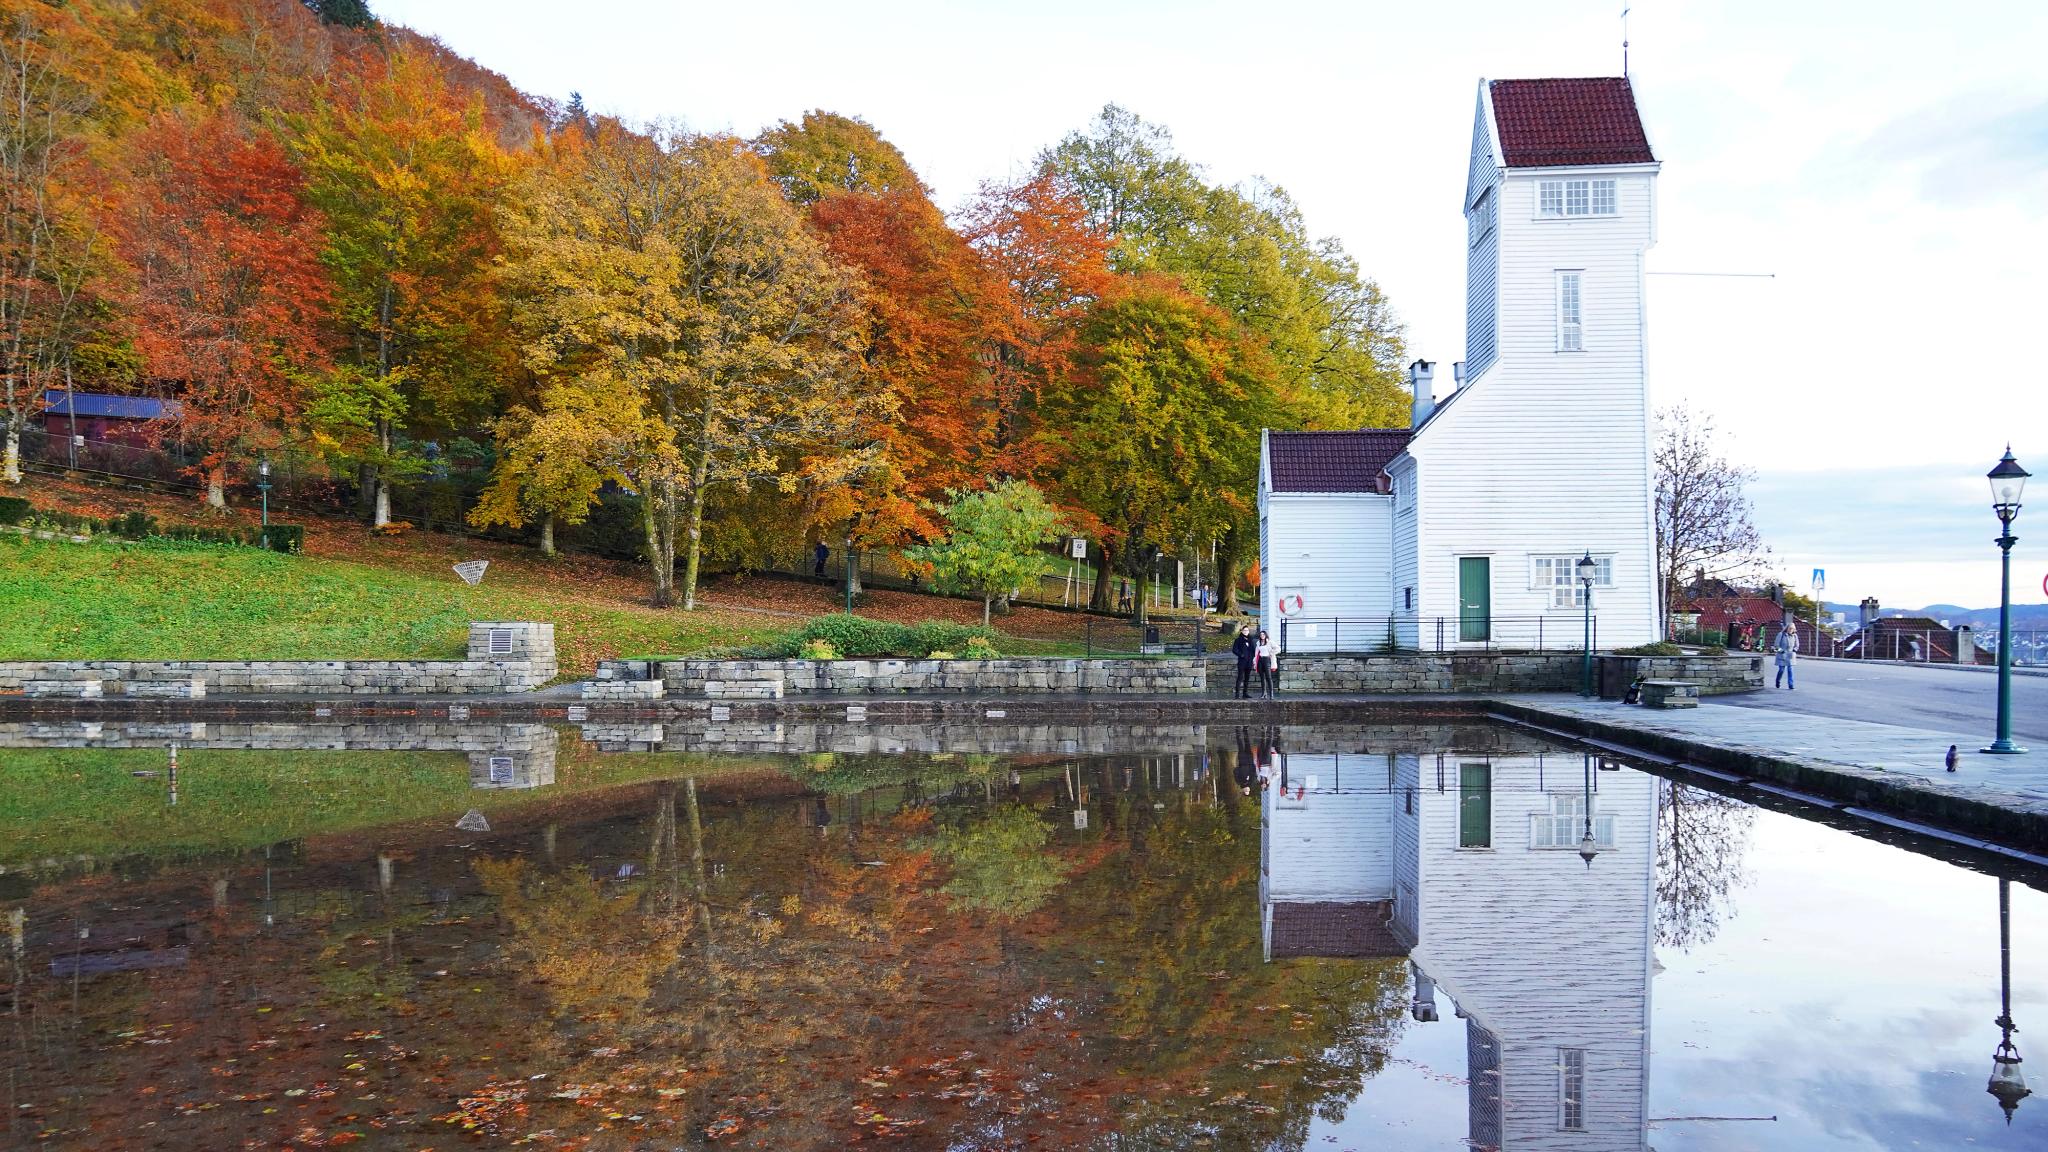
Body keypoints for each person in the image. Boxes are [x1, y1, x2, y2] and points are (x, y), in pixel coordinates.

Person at [1230, 625, 1256, 698]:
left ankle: (1245, 693)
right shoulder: (1238, 640)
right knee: (1240, 678)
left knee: (1247, 678)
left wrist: (1253, 658)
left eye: (1247, 630)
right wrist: (1241, 655)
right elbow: (1234, 650)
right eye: (1244, 630)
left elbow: (1253, 650)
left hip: (1249, 662)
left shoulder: (1251, 640)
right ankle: (1237, 694)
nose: (1246, 632)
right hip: (1242, 662)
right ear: (1241, 631)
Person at [1254, 628, 1278, 700]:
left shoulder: (1270, 642)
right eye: (1261, 634)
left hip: (1267, 660)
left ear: (1266, 635)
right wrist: (1255, 662)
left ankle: (1271, 694)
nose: (1262, 636)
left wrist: (1271, 653)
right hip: (1260, 660)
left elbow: (1278, 649)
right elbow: (1256, 653)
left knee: (1268, 677)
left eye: (1263, 634)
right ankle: (1263, 693)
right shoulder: (1258, 642)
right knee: (1262, 678)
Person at [1775, 621, 1797, 690]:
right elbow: (1776, 646)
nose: (1791, 630)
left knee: (1790, 670)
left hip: (1790, 655)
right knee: (1781, 670)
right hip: (1782, 654)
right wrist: (1781, 651)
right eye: (1790, 628)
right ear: (1787, 628)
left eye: (1792, 629)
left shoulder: (1795, 636)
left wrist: (1794, 650)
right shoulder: (1781, 634)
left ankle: (1791, 685)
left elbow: (1797, 645)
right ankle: (1778, 681)